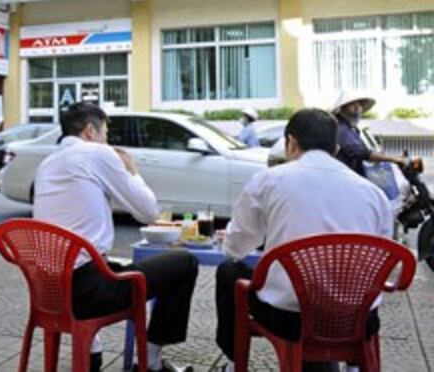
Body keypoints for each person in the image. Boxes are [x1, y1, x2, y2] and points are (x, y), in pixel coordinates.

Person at [214, 108, 393, 372]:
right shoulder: (373, 194)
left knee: (228, 271)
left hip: (291, 319)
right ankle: (355, 364)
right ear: (335, 148)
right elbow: (381, 258)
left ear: (291, 143)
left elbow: (236, 248)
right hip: (357, 319)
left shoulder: (268, 180)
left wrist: (233, 239)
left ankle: (233, 362)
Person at [34, 102, 198, 372]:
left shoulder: (47, 163)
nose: (106, 140)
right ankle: (152, 364)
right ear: (90, 131)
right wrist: (133, 171)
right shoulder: (97, 154)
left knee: (101, 261)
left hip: (48, 290)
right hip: (89, 291)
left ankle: (92, 354)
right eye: (105, 134)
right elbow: (148, 212)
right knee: (184, 264)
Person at [331, 91, 405, 177]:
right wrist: (393, 159)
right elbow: (359, 152)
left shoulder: (352, 129)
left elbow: (366, 150)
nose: (357, 107)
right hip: (345, 177)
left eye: (359, 104)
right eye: (352, 104)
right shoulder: (341, 128)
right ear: (342, 108)